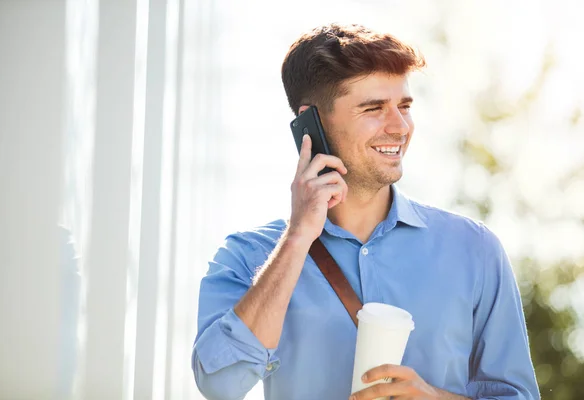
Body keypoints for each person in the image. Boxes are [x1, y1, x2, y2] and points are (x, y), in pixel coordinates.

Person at [191, 23, 540, 400]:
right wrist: (297, 238)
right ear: (313, 123)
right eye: (373, 108)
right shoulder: (248, 256)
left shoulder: (474, 250)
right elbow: (219, 384)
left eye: (404, 106)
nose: (400, 127)